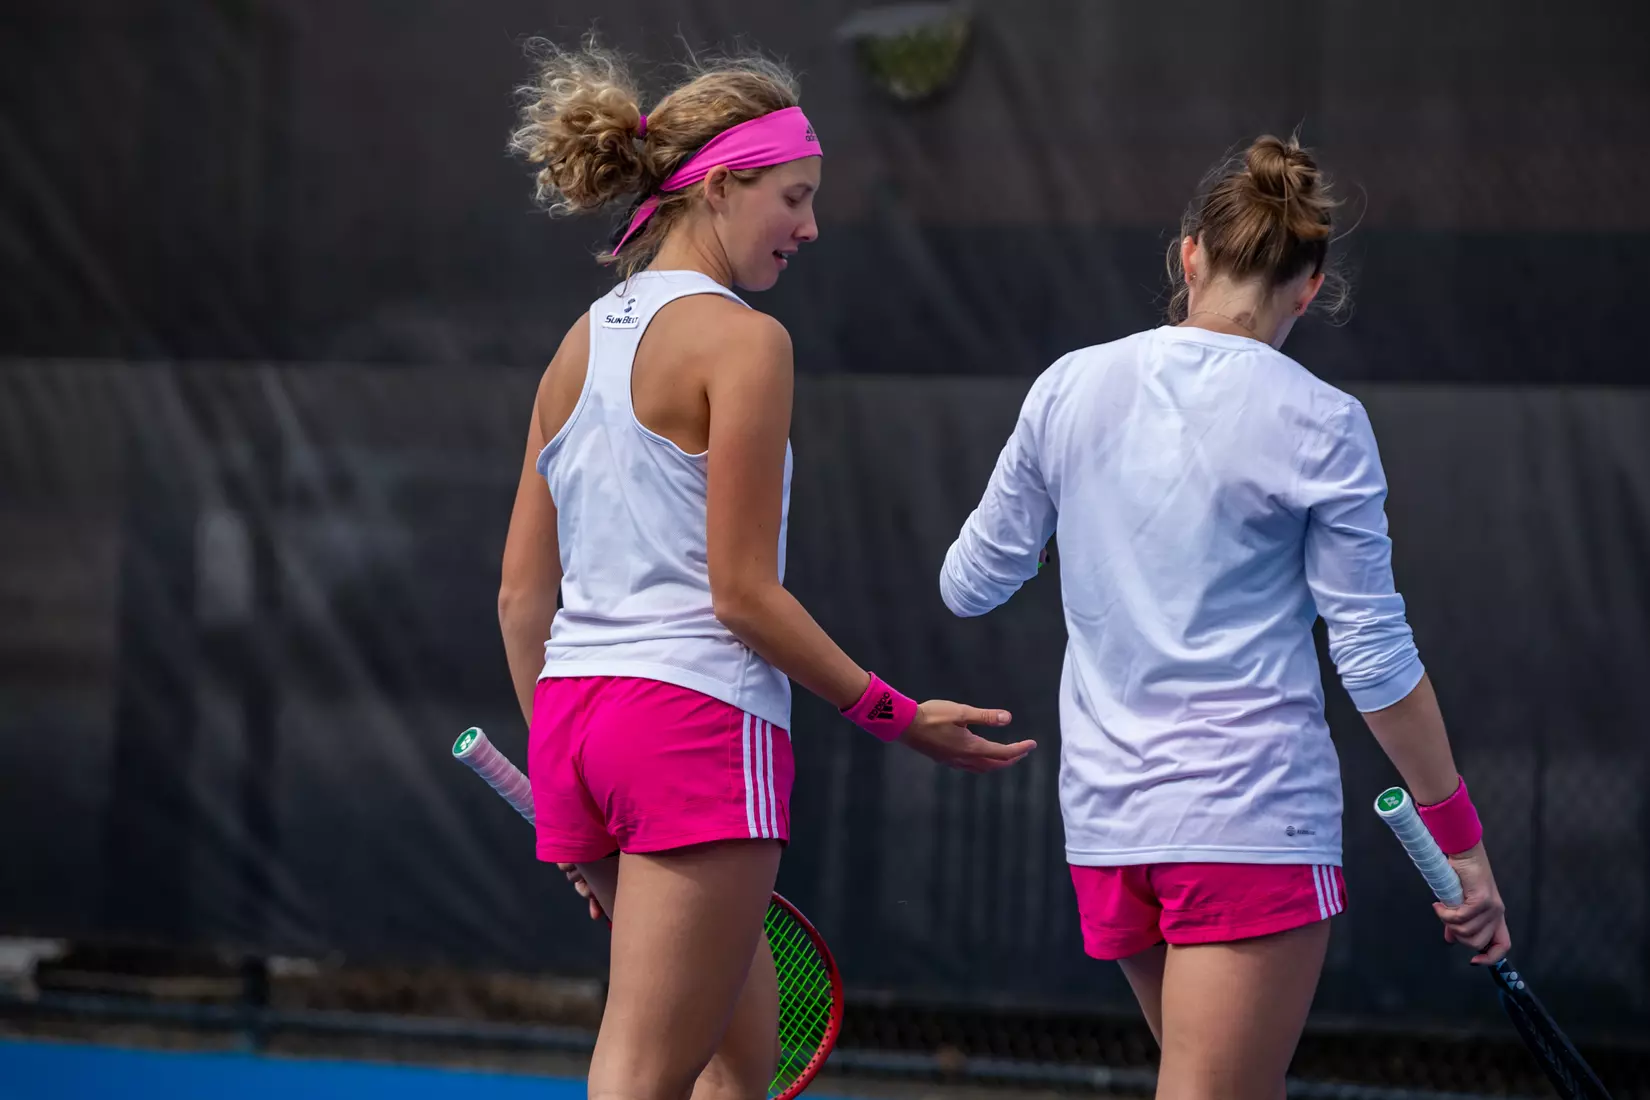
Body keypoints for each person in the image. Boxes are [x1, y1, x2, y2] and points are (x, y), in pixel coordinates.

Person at [496, 41, 1036, 1100]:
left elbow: (522, 597)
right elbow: (740, 593)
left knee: (740, 1069)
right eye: (794, 196)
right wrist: (895, 712)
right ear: (723, 183)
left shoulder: (573, 346)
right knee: (642, 1073)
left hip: (576, 724)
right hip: (690, 727)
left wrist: (562, 776)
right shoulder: (747, 344)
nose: (810, 226)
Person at [938, 134, 1510, 1099]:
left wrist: (1074, 523)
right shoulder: (1323, 421)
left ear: (1189, 255)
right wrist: (1461, 841)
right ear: (1310, 286)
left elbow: (969, 583)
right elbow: (1372, 658)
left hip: (1113, 834)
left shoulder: (1068, 387)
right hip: (1248, 826)